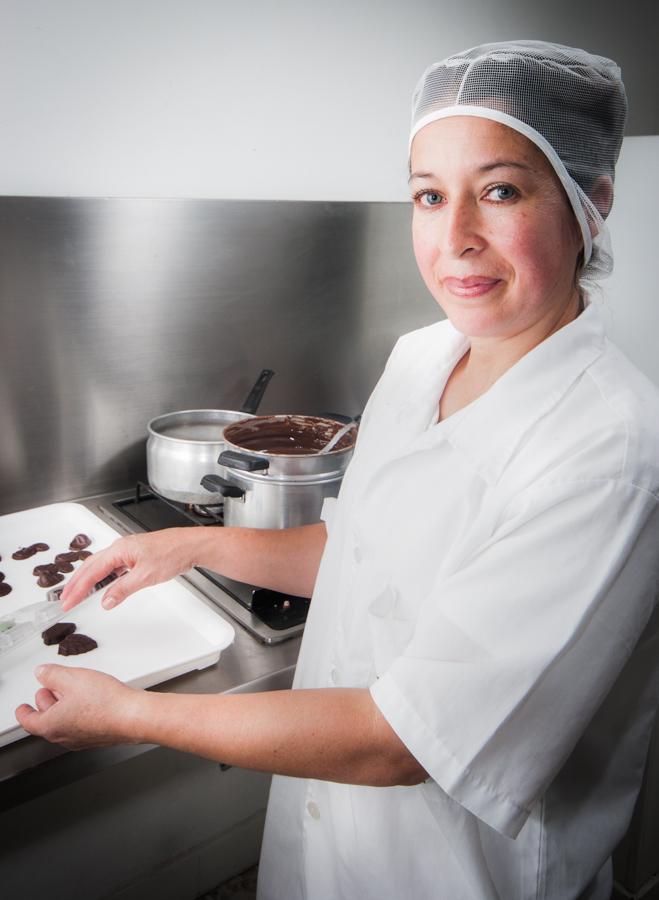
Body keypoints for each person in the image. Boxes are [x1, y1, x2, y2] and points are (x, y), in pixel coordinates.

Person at [16, 41, 659, 900]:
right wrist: (189, 550)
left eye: (499, 191)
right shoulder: (423, 356)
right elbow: (360, 551)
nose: (455, 237)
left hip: (465, 873)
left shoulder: (607, 453)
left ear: (591, 203)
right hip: (329, 844)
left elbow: (399, 742)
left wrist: (132, 715)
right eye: (429, 197)